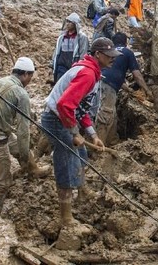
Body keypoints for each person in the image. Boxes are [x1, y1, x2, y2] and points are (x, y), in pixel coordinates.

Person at [40, 37, 119, 229]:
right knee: (67, 160)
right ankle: (65, 218)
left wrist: (93, 135)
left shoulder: (91, 71)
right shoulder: (87, 74)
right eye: (109, 56)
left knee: (82, 153)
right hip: (57, 119)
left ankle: (82, 191)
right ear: (97, 54)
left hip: (64, 117)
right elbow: (64, 105)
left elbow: (80, 108)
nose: (112, 60)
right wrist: (74, 132)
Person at [0, 57, 50, 223]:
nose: (30, 80)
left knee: (15, 143)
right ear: (25, 74)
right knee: (3, 181)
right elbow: (24, 132)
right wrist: (23, 156)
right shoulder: (21, 94)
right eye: (30, 76)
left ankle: (33, 169)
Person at [94, 32, 154, 145]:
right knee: (106, 114)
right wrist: (147, 91)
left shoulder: (110, 53)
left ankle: (112, 141)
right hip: (108, 85)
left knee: (112, 114)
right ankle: (97, 146)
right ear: (126, 42)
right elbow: (137, 75)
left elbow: (116, 75)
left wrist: (129, 90)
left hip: (100, 81)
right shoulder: (128, 52)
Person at [51, 12, 90, 84]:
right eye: (67, 21)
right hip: (61, 66)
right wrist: (53, 62)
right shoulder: (62, 37)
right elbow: (57, 51)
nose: (67, 24)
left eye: (70, 22)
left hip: (73, 66)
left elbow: (83, 53)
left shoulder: (81, 38)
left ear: (75, 24)